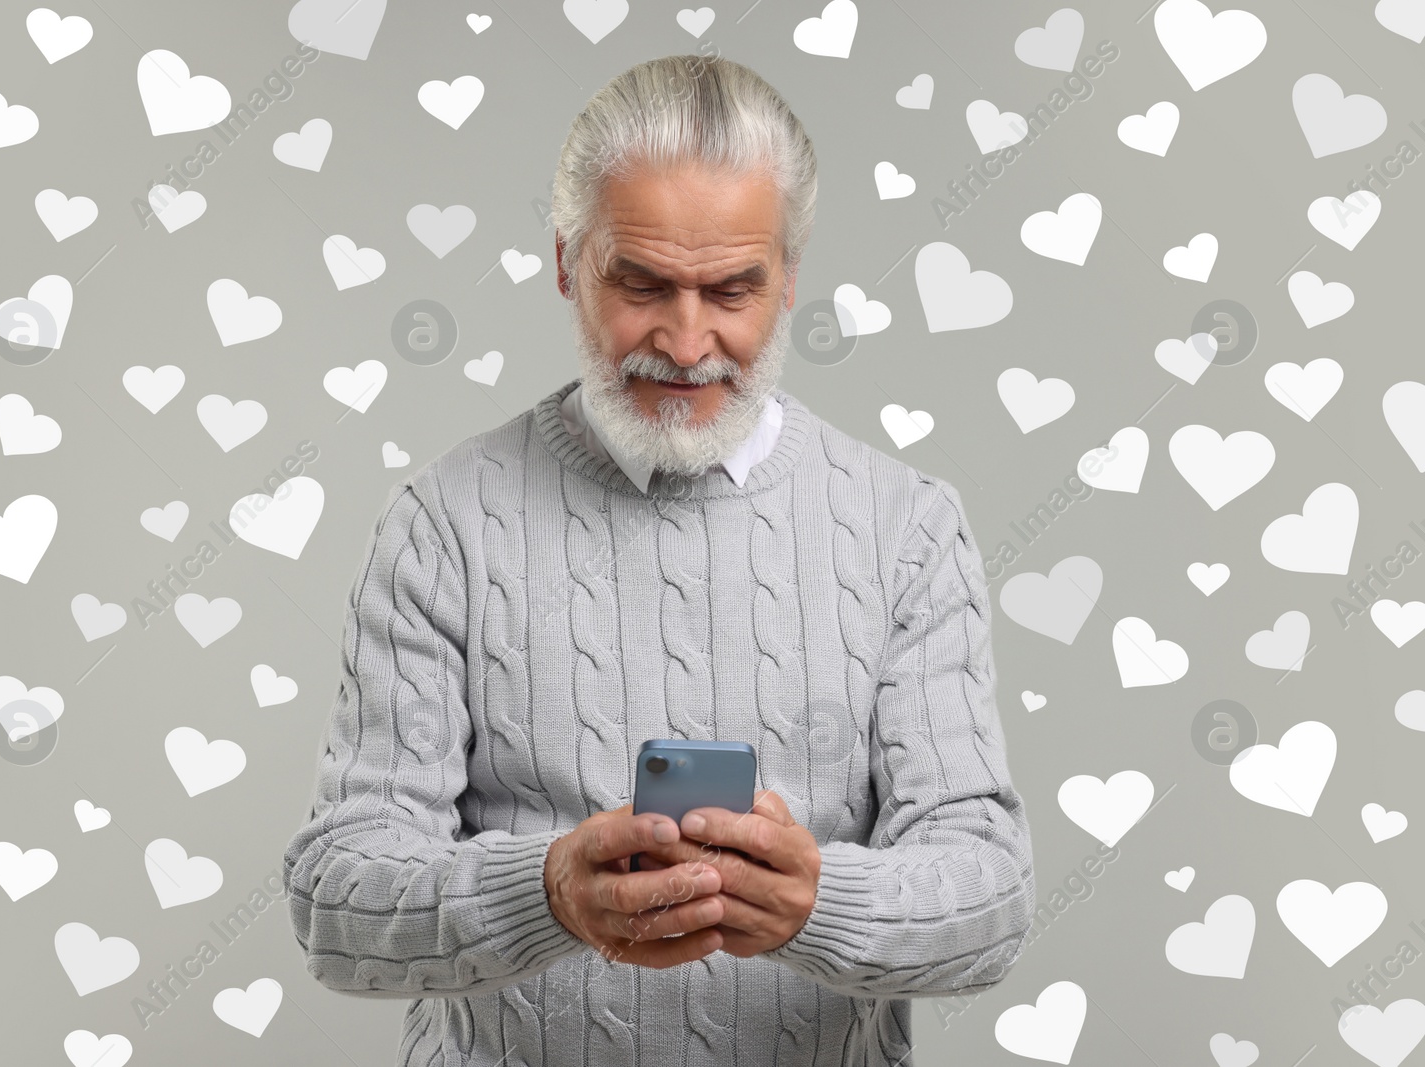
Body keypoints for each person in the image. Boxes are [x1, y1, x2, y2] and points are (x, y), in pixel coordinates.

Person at [282, 53, 1035, 1067]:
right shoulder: (443, 522)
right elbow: (335, 904)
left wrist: (820, 901)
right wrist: (545, 890)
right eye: (640, 282)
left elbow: (989, 904)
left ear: (789, 278)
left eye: (731, 288)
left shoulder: (905, 526)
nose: (685, 343)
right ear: (565, 261)